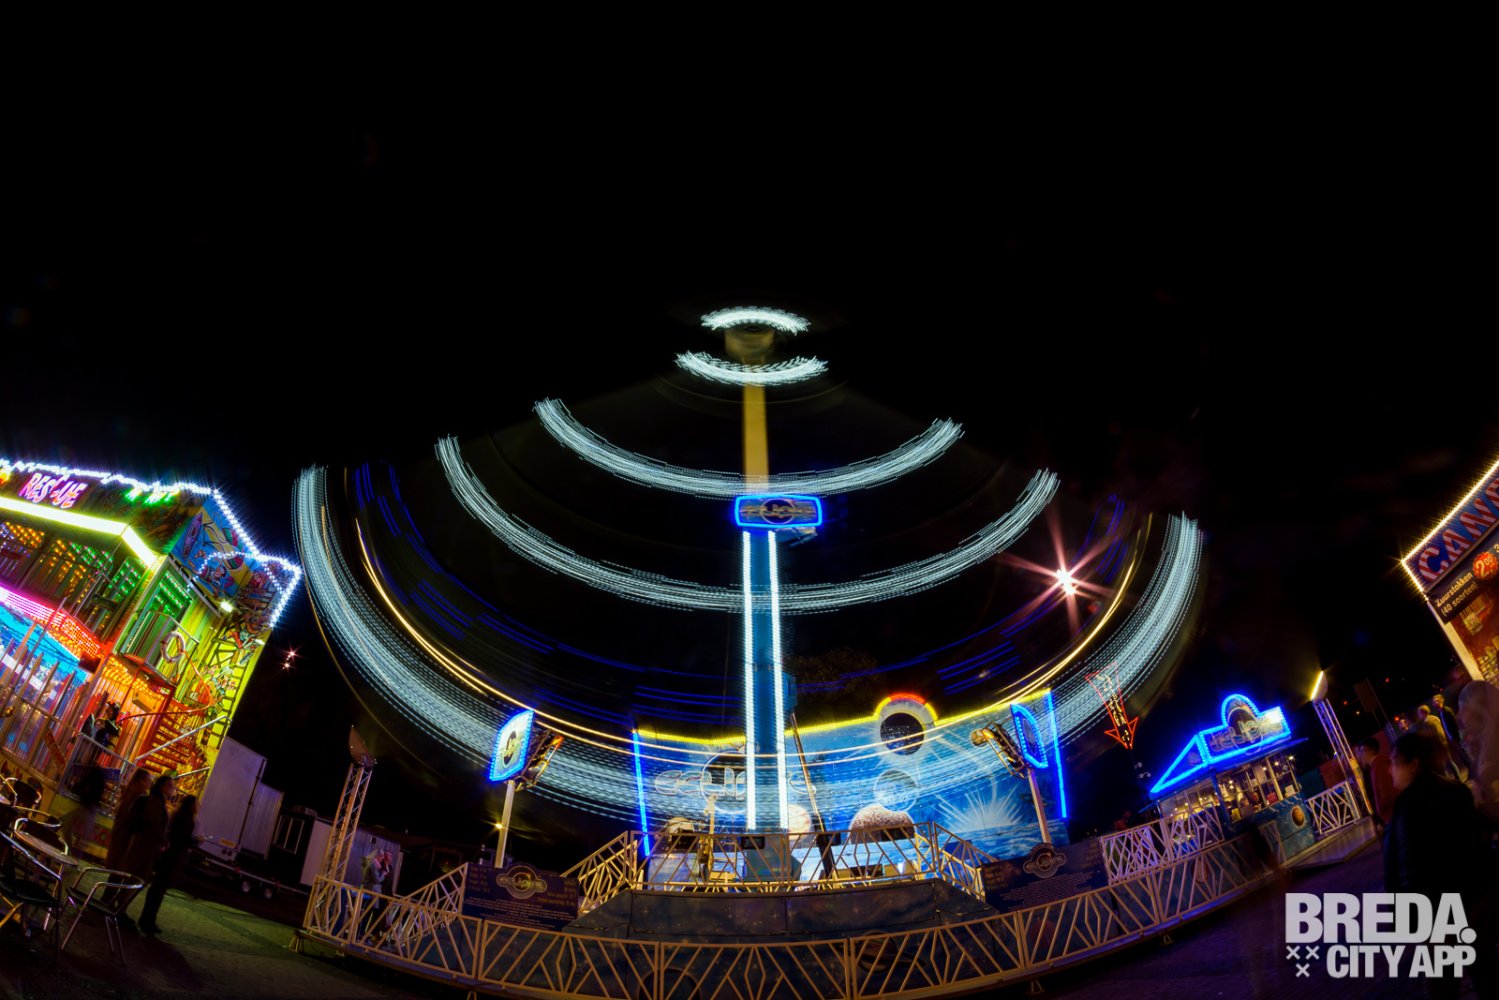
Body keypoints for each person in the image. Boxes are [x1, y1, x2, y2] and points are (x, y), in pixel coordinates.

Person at [1383, 731, 1488, 999]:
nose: (1390, 770)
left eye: (1395, 762)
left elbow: (1407, 868)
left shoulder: (1408, 806)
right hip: (1471, 901)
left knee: (1442, 986)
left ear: (1414, 764)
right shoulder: (1456, 791)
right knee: (1484, 970)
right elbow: (1476, 847)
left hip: (1437, 915)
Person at [117, 773, 175, 931]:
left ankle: (120, 909)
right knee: (135, 878)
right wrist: (164, 841)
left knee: (136, 878)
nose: (173, 789)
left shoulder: (158, 802)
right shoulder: (156, 802)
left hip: (148, 846)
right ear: (162, 786)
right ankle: (120, 910)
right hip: (144, 846)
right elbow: (155, 825)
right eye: (170, 785)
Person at [138, 794, 198, 936]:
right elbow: (182, 838)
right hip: (173, 857)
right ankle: (148, 921)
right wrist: (194, 841)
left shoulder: (179, 815)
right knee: (158, 890)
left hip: (169, 856)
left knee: (157, 889)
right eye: (197, 804)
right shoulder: (187, 819)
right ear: (191, 805)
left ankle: (148, 920)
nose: (198, 807)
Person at [105, 769, 153, 872]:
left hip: (121, 828)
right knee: (121, 862)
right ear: (141, 780)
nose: (150, 783)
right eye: (149, 780)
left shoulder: (129, 790)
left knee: (117, 862)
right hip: (127, 832)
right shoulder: (140, 795)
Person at [58, 766, 107, 854]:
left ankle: (69, 849)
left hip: (83, 806)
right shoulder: (100, 782)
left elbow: (78, 788)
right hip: (91, 810)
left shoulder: (89, 778)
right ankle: (74, 856)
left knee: (67, 827)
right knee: (82, 838)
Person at [1354, 736, 1396, 826]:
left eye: (1361, 751)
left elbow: (1386, 792)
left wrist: (1381, 813)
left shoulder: (1378, 766)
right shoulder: (1373, 767)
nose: (1360, 756)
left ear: (1369, 750)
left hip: (1391, 816)